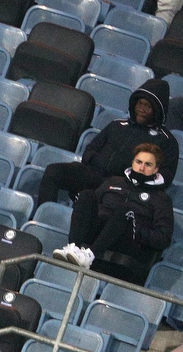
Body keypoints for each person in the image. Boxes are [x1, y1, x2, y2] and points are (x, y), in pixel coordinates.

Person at [38, 79, 178, 206]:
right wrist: (96, 161)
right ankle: (42, 215)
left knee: (97, 201)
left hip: (123, 187)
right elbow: (91, 148)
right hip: (94, 173)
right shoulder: (117, 125)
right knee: (53, 172)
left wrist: (132, 179)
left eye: (147, 106)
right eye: (139, 103)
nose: (141, 109)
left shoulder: (166, 141)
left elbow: (165, 177)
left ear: (157, 111)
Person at [54, 143, 173, 280]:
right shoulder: (114, 181)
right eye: (138, 162)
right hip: (96, 232)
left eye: (148, 164)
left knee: (125, 209)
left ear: (156, 169)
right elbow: (89, 207)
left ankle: (90, 256)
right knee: (86, 194)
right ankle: (73, 248)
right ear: (132, 162)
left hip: (127, 242)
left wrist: (137, 230)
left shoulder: (161, 198)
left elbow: (163, 238)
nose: (141, 168)